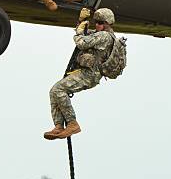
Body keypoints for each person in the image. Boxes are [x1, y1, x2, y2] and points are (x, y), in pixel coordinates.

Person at [44, 7, 117, 140]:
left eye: (100, 23)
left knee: (58, 90)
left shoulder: (104, 36)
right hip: (86, 72)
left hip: (90, 74)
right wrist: (81, 22)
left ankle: (72, 123)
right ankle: (58, 126)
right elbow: (86, 33)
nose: (97, 25)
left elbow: (82, 42)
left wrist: (78, 33)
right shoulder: (100, 34)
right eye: (96, 22)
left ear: (107, 23)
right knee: (54, 91)